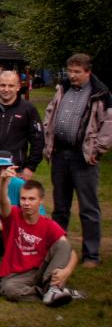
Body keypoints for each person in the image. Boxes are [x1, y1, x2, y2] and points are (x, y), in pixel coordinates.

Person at [43, 53, 111, 267]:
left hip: (83, 157)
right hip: (60, 155)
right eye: (70, 71)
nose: (72, 75)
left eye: (77, 72)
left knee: (88, 208)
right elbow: (49, 114)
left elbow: (109, 124)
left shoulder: (100, 94)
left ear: (88, 72)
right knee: (60, 208)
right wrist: (48, 141)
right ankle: (58, 251)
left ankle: (91, 255)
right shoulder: (62, 89)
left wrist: (97, 149)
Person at [0, 172, 79, 305]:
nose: (26, 203)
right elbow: (3, 201)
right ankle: (52, 292)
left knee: (63, 245)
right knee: (8, 289)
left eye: (31, 199)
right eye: (23, 199)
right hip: (15, 275)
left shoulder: (48, 224)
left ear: (41, 201)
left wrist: (67, 271)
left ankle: (53, 289)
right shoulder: (13, 215)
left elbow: (70, 251)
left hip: (41, 271)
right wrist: (3, 182)